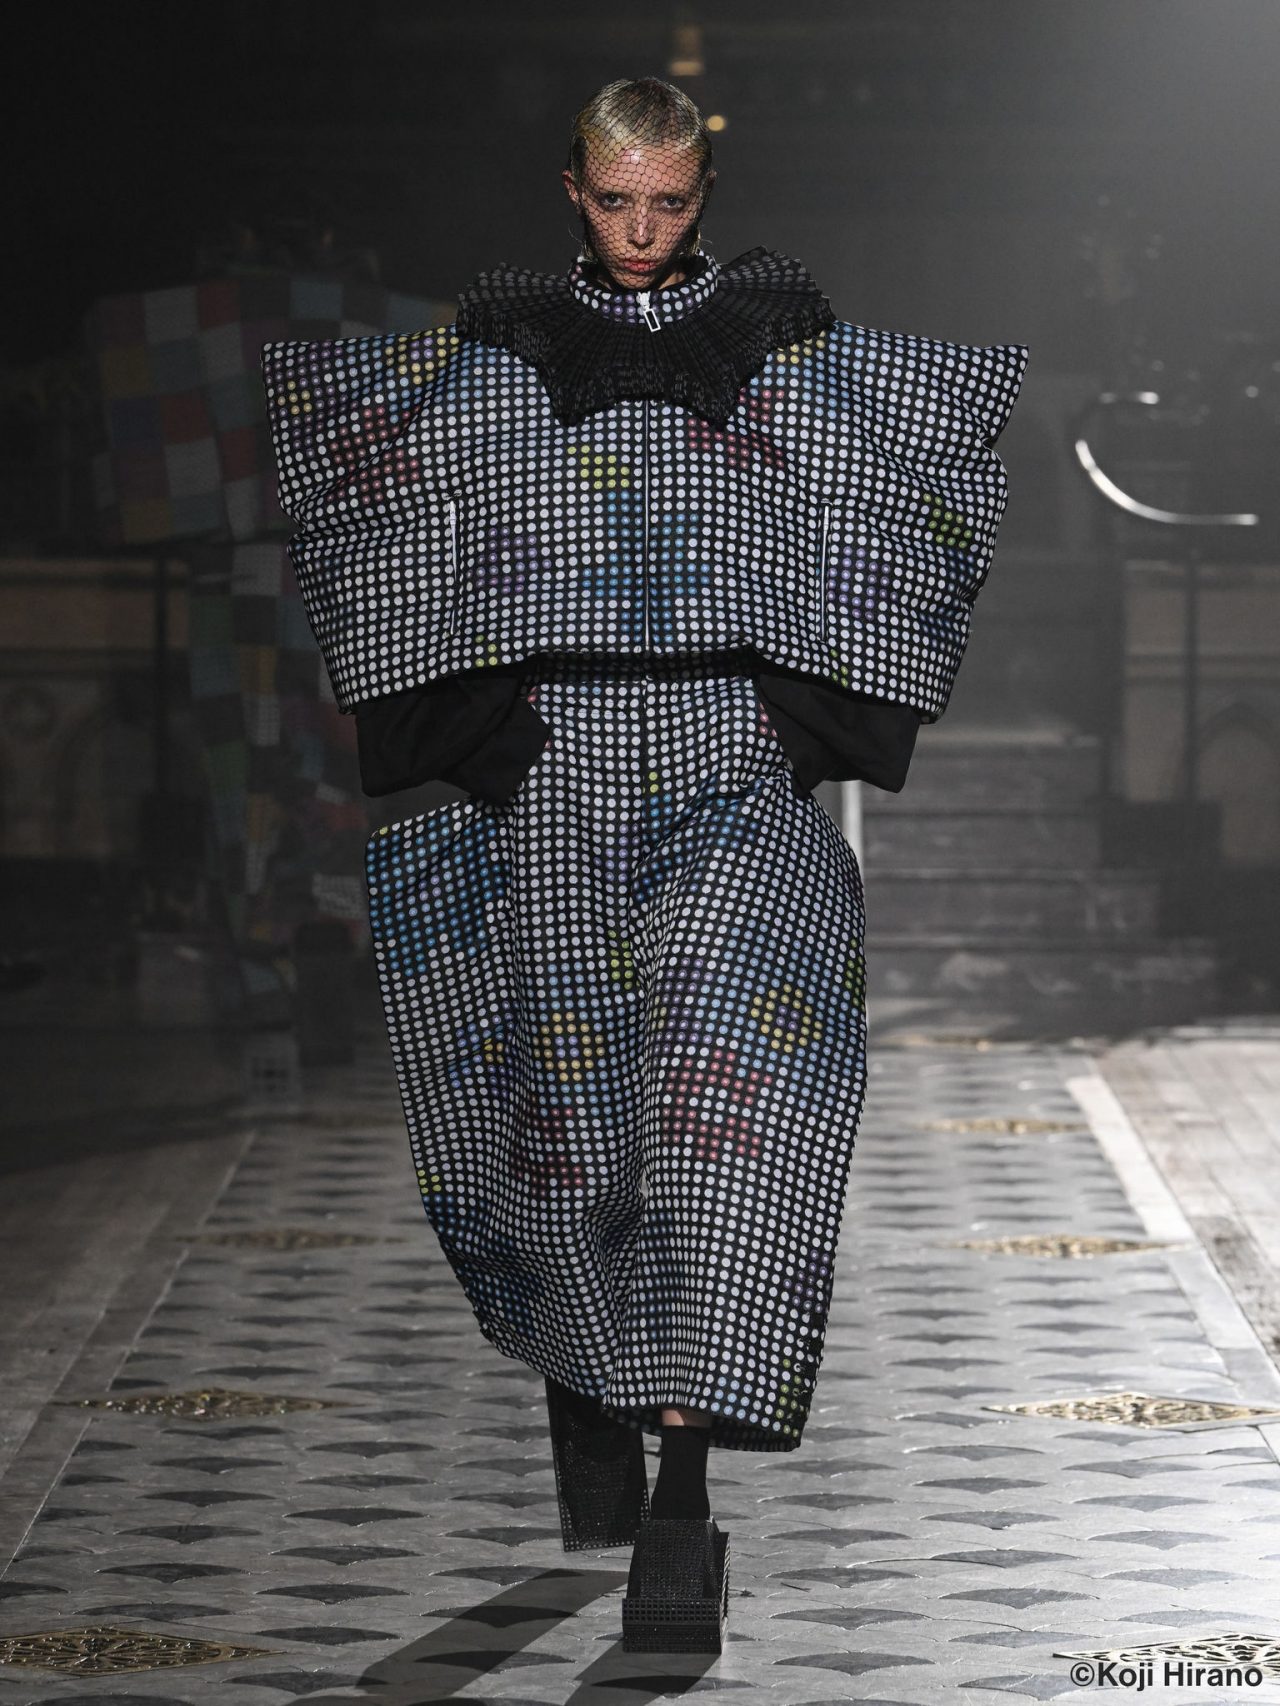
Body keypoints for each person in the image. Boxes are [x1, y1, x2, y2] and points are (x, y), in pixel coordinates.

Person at [261, 75, 1027, 1654]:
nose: (641, 228)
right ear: (573, 188)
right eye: (616, 200)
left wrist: (801, 713)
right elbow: (364, 508)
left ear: (702, 191)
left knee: (732, 1120)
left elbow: (919, 481)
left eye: (669, 201)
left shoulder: (787, 345)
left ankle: (681, 1496)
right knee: (566, 1121)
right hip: (553, 766)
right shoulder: (496, 353)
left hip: (734, 762)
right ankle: (592, 1379)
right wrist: (487, 733)